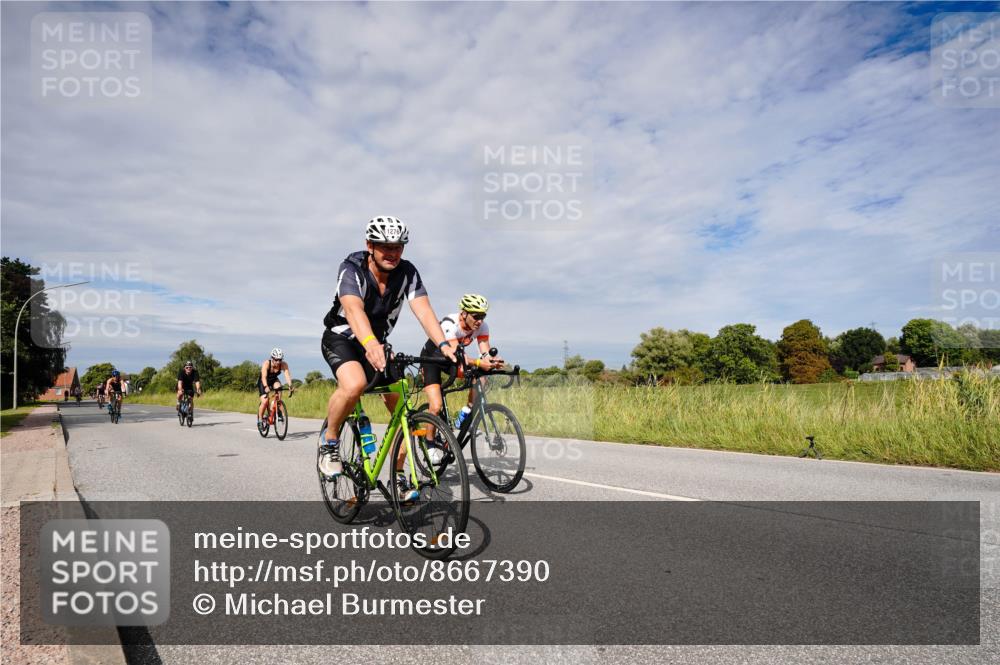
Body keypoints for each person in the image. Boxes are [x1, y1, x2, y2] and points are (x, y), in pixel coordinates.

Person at [318, 215, 456, 502]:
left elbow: (424, 310)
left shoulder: (408, 272)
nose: (392, 252)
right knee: (354, 385)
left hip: (377, 344)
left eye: (398, 246)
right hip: (342, 338)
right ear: (370, 245)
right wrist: (369, 342)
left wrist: (443, 344)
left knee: (403, 411)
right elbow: (354, 309)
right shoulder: (351, 269)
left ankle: (399, 476)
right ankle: (329, 442)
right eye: (385, 246)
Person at [420, 294, 504, 443]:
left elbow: (484, 352)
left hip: (451, 360)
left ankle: (465, 416)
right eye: (476, 316)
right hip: (432, 360)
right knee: (436, 405)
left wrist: (491, 361)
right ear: (464, 313)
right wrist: (479, 363)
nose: (480, 321)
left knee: (481, 376)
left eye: (483, 316)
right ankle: (429, 443)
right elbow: (458, 356)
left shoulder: (482, 326)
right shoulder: (449, 324)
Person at [258, 348, 293, 428]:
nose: (278, 362)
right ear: (272, 358)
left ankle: (277, 412)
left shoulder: (283, 364)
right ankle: (260, 420)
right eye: (276, 360)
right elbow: (264, 377)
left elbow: (287, 375)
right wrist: (266, 386)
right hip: (263, 382)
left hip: (273, 380)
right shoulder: (266, 363)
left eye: (280, 360)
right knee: (265, 401)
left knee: (279, 389)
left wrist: (290, 385)